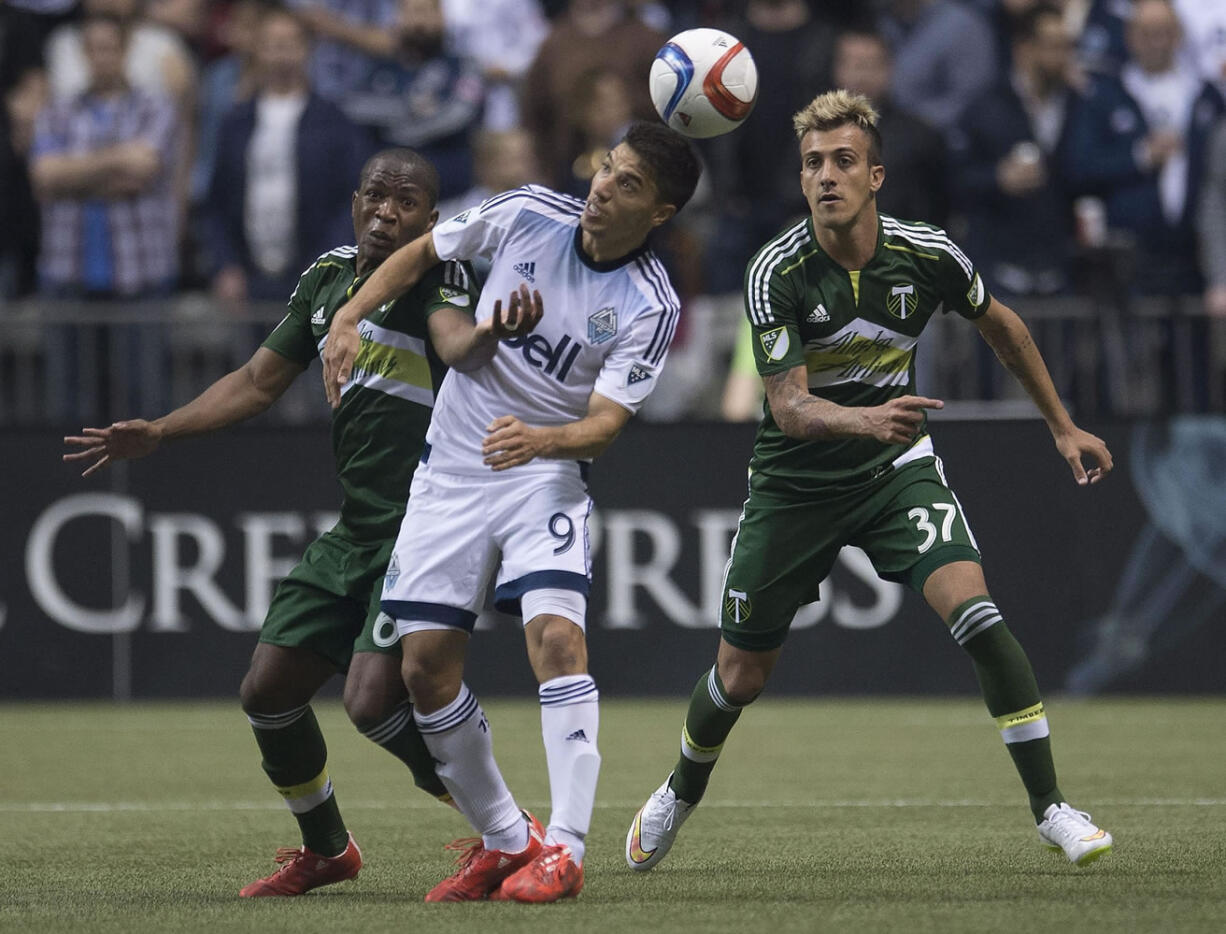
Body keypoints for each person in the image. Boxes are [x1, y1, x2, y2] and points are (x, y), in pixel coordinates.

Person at [624, 90, 1116, 875]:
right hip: (795, 485)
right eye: (813, 164)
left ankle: (1053, 808)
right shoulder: (775, 271)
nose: (826, 176)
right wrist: (867, 418)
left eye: (843, 161)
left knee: (981, 617)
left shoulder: (927, 254)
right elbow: (786, 408)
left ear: (876, 175)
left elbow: (1005, 327)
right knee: (740, 675)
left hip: (894, 473)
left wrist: (1061, 425)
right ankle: (680, 791)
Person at [61, 147, 529, 898]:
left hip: (429, 525)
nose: (386, 212)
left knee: (374, 700)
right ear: (353, 201)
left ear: (430, 221)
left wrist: (490, 333)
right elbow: (254, 383)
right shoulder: (325, 279)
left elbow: (455, 342)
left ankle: (508, 833)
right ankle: (328, 849)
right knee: (268, 690)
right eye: (376, 196)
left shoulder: (434, 279)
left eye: (405, 202)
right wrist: (160, 431)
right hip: (357, 528)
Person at [321, 120, 701, 902]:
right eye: (607, 169)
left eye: (629, 185)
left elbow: (604, 424)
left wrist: (541, 439)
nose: (603, 188)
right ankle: (502, 839)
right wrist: (349, 315)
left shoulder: (649, 303)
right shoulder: (527, 210)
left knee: (557, 639)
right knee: (423, 669)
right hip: (452, 470)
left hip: (544, 474)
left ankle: (563, 848)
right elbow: (423, 254)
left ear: (659, 213)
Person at [203, 5, 369, 303]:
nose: (281, 54)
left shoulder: (334, 122)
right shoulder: (235, 123)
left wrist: (328, 268)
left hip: (313, 275)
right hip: (248, 277)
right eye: (271, 45)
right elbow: (217, 202)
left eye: (290, 44)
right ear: (257, 50)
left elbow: (349, 203)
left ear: (307, 50)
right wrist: (225, 265)